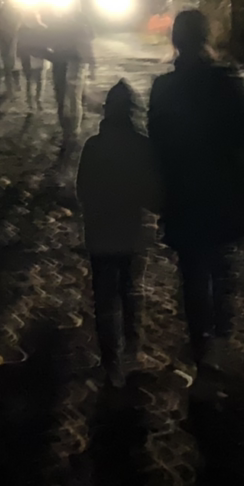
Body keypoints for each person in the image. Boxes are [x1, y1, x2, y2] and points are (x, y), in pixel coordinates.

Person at [148, 9, 244, 371]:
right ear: (206, 37)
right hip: (221, 184)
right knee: (220, 262)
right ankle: (222, 336)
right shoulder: (224, 79)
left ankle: (200, 344)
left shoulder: (163, 86)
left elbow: (156, 140)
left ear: (175, 40)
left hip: (183, 189)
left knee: (192, 271)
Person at [76, 80, 162, 387]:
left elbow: (82, 190)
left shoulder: (93, 146)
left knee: (104, 298)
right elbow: (154, 193)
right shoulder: (142, 146)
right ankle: (132, 350)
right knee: (131, 291)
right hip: (132, 232)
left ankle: (110, 360)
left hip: (100, 233)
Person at [47, 6, 93, 137]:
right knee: (67, 97)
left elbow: (87, 42)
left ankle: (72, 129)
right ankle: (69, 128)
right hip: (62, 64)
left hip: (70, 64)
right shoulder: (60, 24)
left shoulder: (78, 24)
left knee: (71, 97)